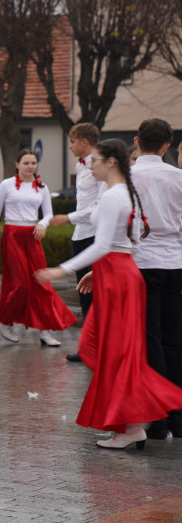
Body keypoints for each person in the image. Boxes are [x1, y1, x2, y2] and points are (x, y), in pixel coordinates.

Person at [36, 139, 182, 450]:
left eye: (96, 160)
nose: (91, 164)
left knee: (108, 351)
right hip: (121, 272)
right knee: (109, 350)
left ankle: (131, 425)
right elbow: (129, 237)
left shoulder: (118, 193)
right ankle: (131, 425)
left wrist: (59, 270)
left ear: (112, 162)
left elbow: (102, 245)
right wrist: (100, 265)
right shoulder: (123, 191)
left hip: (118, 277)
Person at [0, 150, 76, 347]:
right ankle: (2, 319)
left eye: (33, 163)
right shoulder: (6, 185)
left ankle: (45, 331)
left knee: (41, 283)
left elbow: (48, 215)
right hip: (12, 236)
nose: (30, 166)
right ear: (17, 164)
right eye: (26, 162)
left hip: (33, 237)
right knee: (20, 285)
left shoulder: (42, 187)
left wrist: (42, 224)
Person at [130, 118, 182, 439]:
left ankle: (158, 419)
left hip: (142, 262)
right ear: (167, 146)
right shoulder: (179, 177)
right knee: (174, 340)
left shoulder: (129, 177)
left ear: (136, 141)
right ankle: (178, 419)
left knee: (150, 341)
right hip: (175, 263)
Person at [48, 123, 104, 362]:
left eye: (72, 142)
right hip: (80, 235)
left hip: (94, 234)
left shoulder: (100, 165)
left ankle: (97, 348)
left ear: (84, 142)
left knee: (96, 294)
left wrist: (67, 217)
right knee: (83, 293)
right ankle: (88, 347)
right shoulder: (80, 166)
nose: (69, 146)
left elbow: (99, 205)